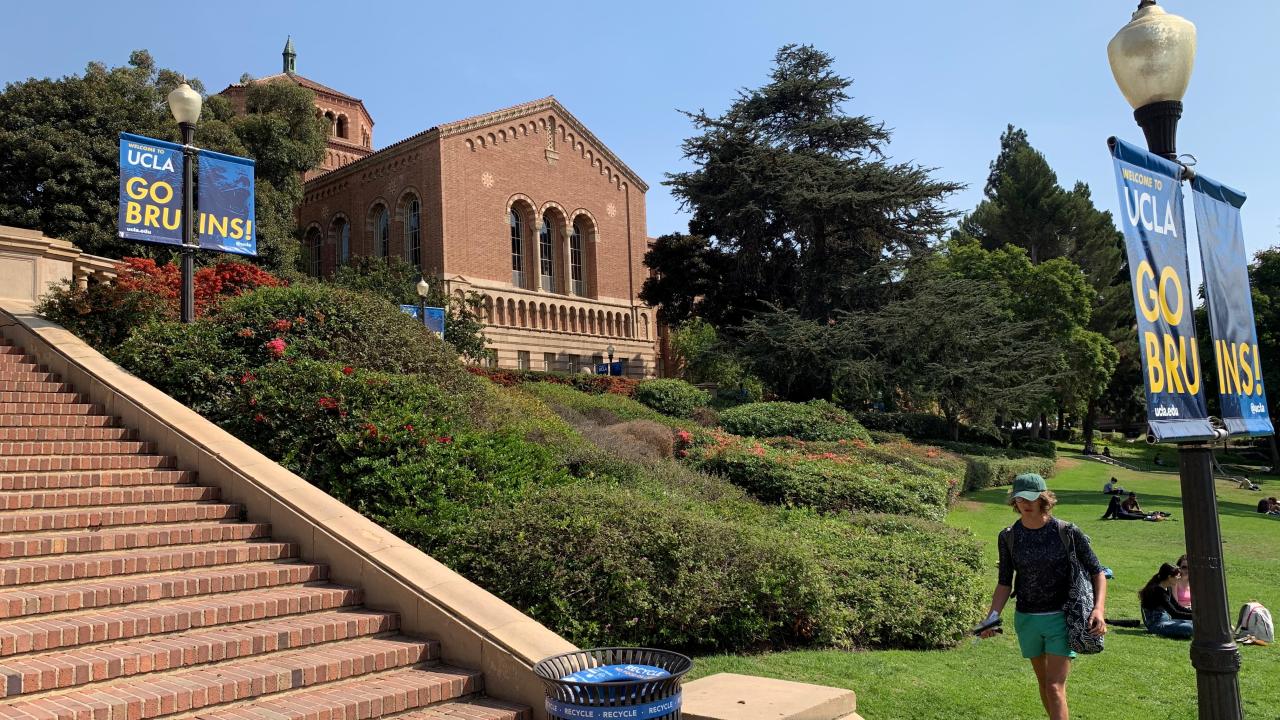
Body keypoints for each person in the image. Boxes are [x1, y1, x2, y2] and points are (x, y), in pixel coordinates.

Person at [979, 473, 1107, 720]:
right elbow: (1005, 582)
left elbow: (1097, 571)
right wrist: (991, 617)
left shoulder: (1067, 531)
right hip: (1027, 619)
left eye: (1031, 498)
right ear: (1014, 501)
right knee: (1044, 685)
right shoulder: (1008, 536)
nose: (1025, 504)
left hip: (1061, 617)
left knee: (1054, 687)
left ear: (1044, 499)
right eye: (1019, 499)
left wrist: (1098, 610)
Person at [1139, 563, 1194, 639]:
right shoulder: (1157, 591)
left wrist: (1195, 613)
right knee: (1189, 628)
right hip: (1156, 625)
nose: (1179, 578)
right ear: (1169, 577)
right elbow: (1174, 613)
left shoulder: (1168, 588)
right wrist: (1196, 617)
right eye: (1178, 576)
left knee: (1194, 624)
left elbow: (1177, 606)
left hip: (1168, 621)